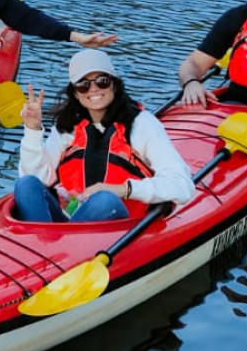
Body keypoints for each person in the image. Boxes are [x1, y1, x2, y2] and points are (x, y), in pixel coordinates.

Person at [15, 49, 194, 223]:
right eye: (83, 85)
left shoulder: (143, 125)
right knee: (26, 184)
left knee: (104, 200)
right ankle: (46, 242)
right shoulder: (68, 126)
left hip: (121, 225)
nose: (93, 89)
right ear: (76, 93)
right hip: (69, 219)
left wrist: (122, 190)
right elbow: (39, 179)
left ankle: (57, 246)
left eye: (102, 82)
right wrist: (32, 130)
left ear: (114, 85)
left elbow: (182, 186)